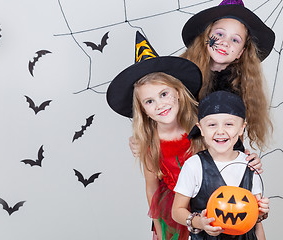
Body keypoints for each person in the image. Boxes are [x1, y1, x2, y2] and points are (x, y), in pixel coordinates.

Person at [107, 31, 202, 240]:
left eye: (164, 94)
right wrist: (159, 229)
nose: (160, 105)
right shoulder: (150, 145)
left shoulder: (201, 129)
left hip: (207, 206)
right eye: (149, 101)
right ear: (142, 110)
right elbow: (152, 189)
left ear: (177, 91)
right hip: (172, 218)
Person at [172, 91, 269, 239]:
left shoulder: (250, 165)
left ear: (242, 127)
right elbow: (177, 211)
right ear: (201, 128)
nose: (220, 131)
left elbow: (256, 223)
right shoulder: (194, 165)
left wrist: (260, 214)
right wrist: (200, 222)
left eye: (229, 124)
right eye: (212, 125)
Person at [180, 0, 275, 151]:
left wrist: (243, 158)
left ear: (241, 53)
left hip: (216, 162)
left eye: (235, 39)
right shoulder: (181, 73)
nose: (225, 43)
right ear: (206, 37)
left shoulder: (241, 86)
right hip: (181, 156)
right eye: (219, 34)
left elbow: (235, 140)